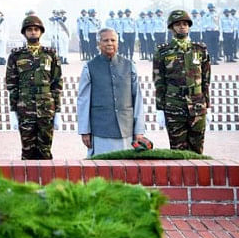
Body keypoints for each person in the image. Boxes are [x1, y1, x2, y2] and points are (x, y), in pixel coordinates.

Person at [77, 28, 145, 157]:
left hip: (126, 129)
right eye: (105, 40)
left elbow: (137, 99)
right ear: (98, 44)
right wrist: (84, 130)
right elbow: (83, 101)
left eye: (113, 40)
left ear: (118, 43)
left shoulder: (129, 66)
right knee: (101, 170)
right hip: (101, 129)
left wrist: (139, 130)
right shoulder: (89, 67)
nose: (109, 43)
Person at [153, 10, 211, 154]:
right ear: (172, 28)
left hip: (197, 105)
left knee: (197, 151)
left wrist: (207, 106)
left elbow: (206, 80)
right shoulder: (163, 51)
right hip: (174, 104)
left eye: (185, 24)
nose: (182, 27)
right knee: (177, 151)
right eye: (178, 24)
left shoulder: (200, 49)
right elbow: (159, 82)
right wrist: (160, 108)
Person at [6, 16, 63, 160]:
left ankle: (45, 181)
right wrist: (13, 111)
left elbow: (56, 84)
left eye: (36, 29)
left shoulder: (50, 54)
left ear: (41, 32)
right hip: (25, 107)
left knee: (45, 150)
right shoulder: (16, 55)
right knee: (27, 150)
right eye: (29, 29)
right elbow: (12, 85)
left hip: (46, 107)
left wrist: (58, 111)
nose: (33, 32)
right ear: (24, 33)